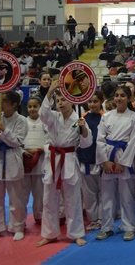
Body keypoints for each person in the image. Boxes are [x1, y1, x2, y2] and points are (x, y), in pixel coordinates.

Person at [36, 80, 92, 248]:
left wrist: (84, 129)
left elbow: (87, 143)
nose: (60, 103)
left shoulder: (78, 119)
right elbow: (42, 114)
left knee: (73, 200)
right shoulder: (53, 117)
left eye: (64, 100)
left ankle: (76, 234)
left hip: (69, 159)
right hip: (53, 160)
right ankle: (49, 233)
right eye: (58, 100)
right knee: (49, 199)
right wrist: (50, 92)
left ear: (72, 101)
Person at [95, 85, 135, 241]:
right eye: (117, 95)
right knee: (107, 196)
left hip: (124, 156)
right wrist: (105, 161)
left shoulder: (134, 117)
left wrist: (123, 163)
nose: (119, 98)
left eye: (122, 95)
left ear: (129, 98)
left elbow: (133, 142)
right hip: (108, 155)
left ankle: (129, 226)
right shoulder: (106, 116)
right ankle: (106, 227)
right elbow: (100, 139)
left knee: (127, 196)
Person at [0, 91, 28, 242]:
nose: (1, 104)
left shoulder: (21, 120)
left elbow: (17, 141)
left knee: (16, 198)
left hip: (12, 158)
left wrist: (3, 130)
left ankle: (18, 227)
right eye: (0, 101)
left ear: (14, 104)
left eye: (5, 101)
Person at [78, 90, 104, 231]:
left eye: (95, 101)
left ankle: (102, 218)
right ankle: (93, 219)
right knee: (89, 194)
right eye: (90, 101)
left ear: (101, 102)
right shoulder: (82, 118)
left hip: (101, 161)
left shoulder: (106, 117)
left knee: (103, 193)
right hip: (86, 159)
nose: (92, 104)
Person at [22, 96, 45, 227]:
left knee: (39, 193)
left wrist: (40, 149)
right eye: (30, 106)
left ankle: (39, 216)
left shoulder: (45, 122)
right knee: (23, 194)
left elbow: (49, 139)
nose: (32, 109)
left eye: (35, 106)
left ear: (40, 107)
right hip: (25, 161)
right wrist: (24, 151)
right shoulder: (23, 122)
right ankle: (21, 219)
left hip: (40, 161)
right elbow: (18, 140)